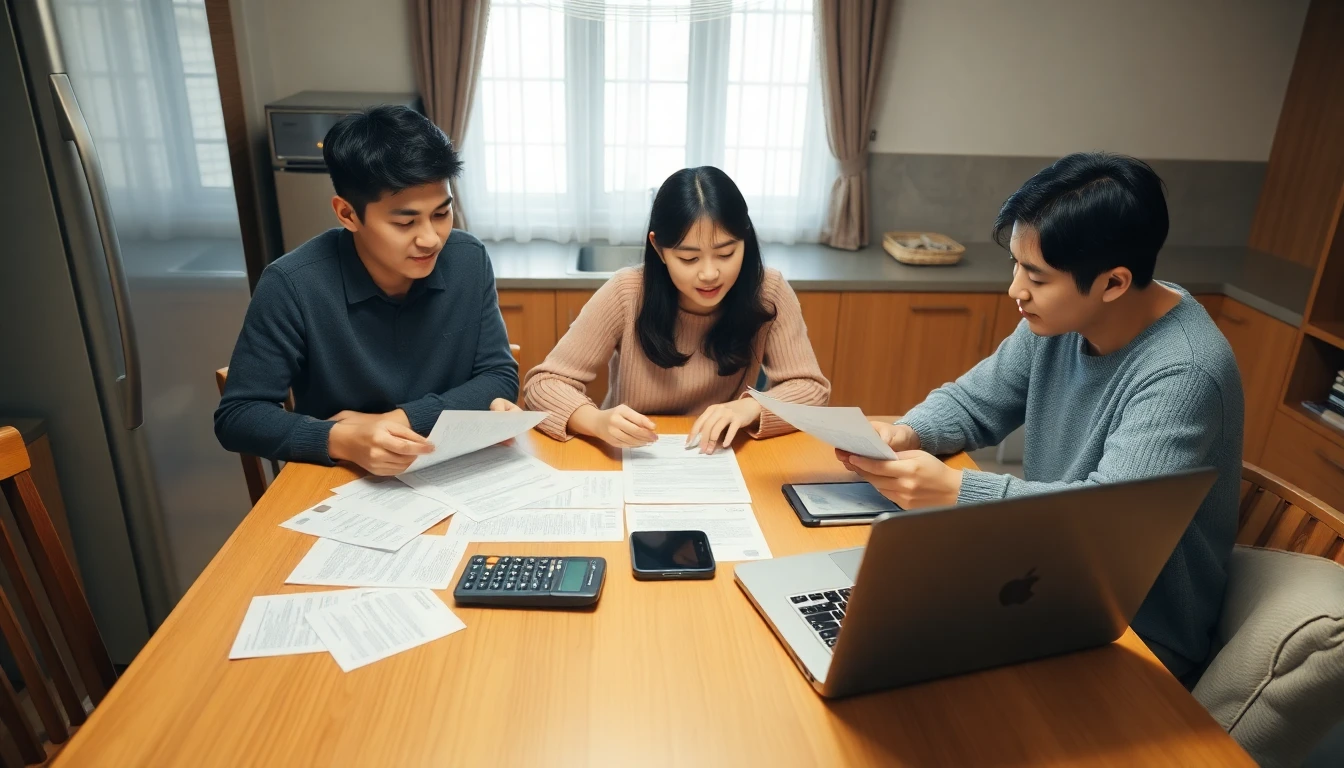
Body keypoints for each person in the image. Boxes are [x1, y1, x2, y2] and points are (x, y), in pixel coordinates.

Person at [837, 153, 1243, 682]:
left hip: (1136, 633)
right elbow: (973, 402)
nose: (1015, 290)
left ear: (1114, 283)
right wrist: (908, 430)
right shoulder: (1063, 319)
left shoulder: (1185, 372)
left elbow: (1105, 523)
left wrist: (956, 492)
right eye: (1015, 264)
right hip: (1044, 579)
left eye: (1036, 275)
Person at [215, 106, 519, 476]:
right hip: (342, 476)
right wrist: (342, 439)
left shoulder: (468, 259)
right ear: (347, 214)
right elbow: (239, 416)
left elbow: (498, 378)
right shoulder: (292, 283)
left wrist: (400, 419)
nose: (430, 239)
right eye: (405, 222)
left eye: (441, 214)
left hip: (449, 466)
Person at [523, 166, 829, 453]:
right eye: (689, 259)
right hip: (633, 453)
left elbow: (810, 389)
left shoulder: (768, 290)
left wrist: (751, 408)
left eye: (726, 253)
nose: (709, 273)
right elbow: (544, 384)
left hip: (718, 453)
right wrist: (596, 420)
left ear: (745, 238)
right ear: (659, 249)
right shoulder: (626, 292)